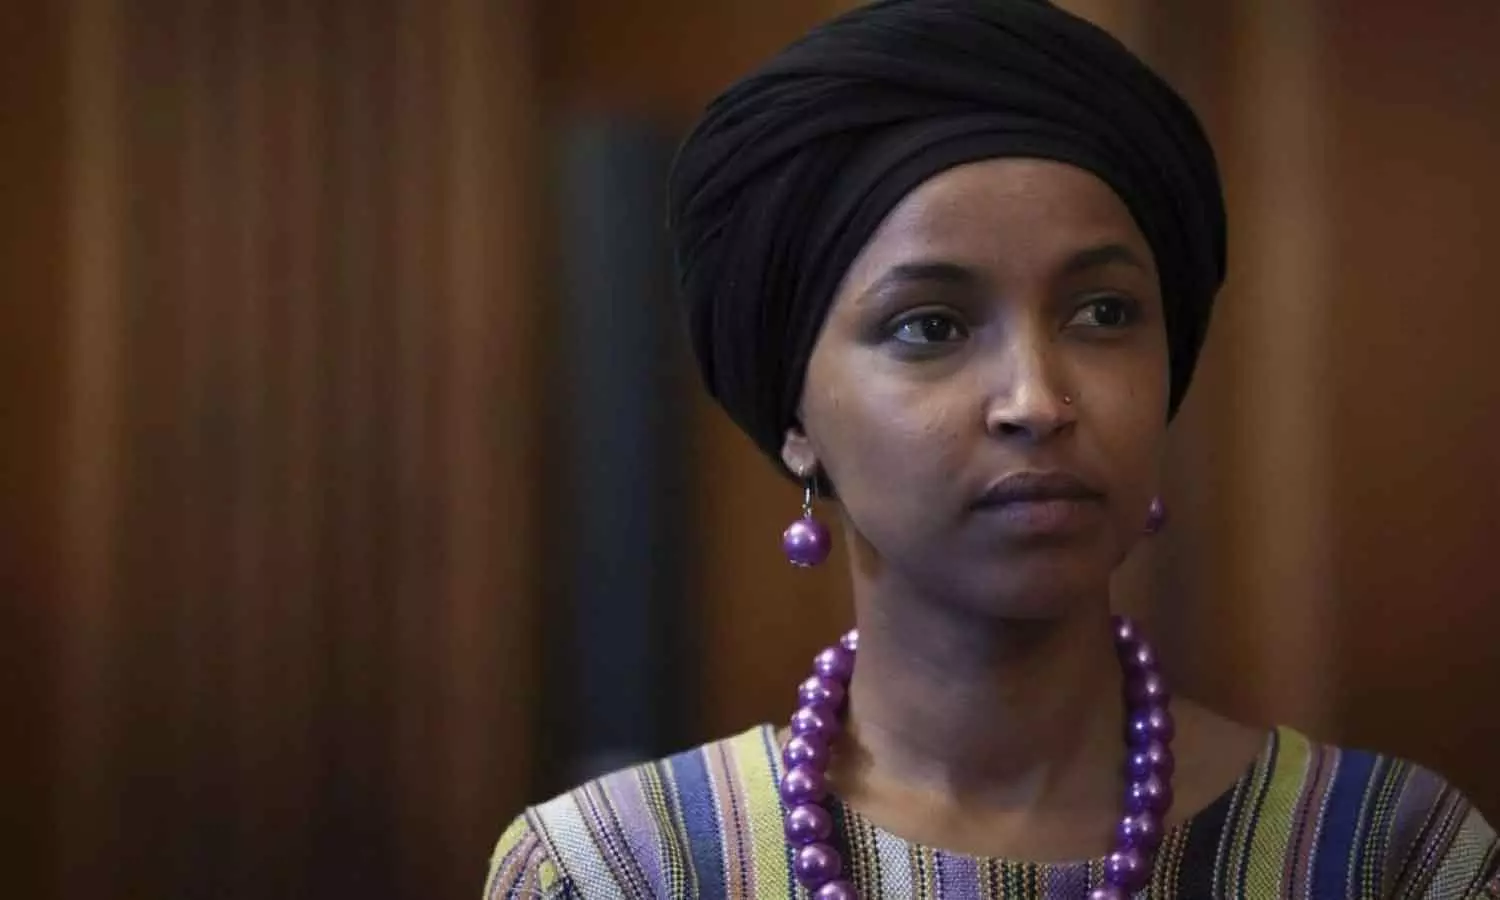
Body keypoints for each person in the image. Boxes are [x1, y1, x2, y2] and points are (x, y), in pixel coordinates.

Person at [486, 1, 1500, 897]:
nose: (1037, 401)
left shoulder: (1385, 857)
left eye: (1104, 313)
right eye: (929, 326)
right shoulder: (619, 871)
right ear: (794, 416)